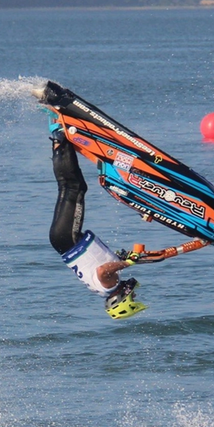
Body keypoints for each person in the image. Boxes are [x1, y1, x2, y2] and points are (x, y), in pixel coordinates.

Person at [48, 127, 147, 319]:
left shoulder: (111, 285)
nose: (133, 293)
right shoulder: (106, 288)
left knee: (73, 187)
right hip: (63, 240)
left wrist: (127, 262)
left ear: (122, 300)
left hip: (68, 238)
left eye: (132, 297)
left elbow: (102, 270)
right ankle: (59, 142)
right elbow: (100, 264)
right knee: (70, 188)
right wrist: (121, 258)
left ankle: (60, 140)